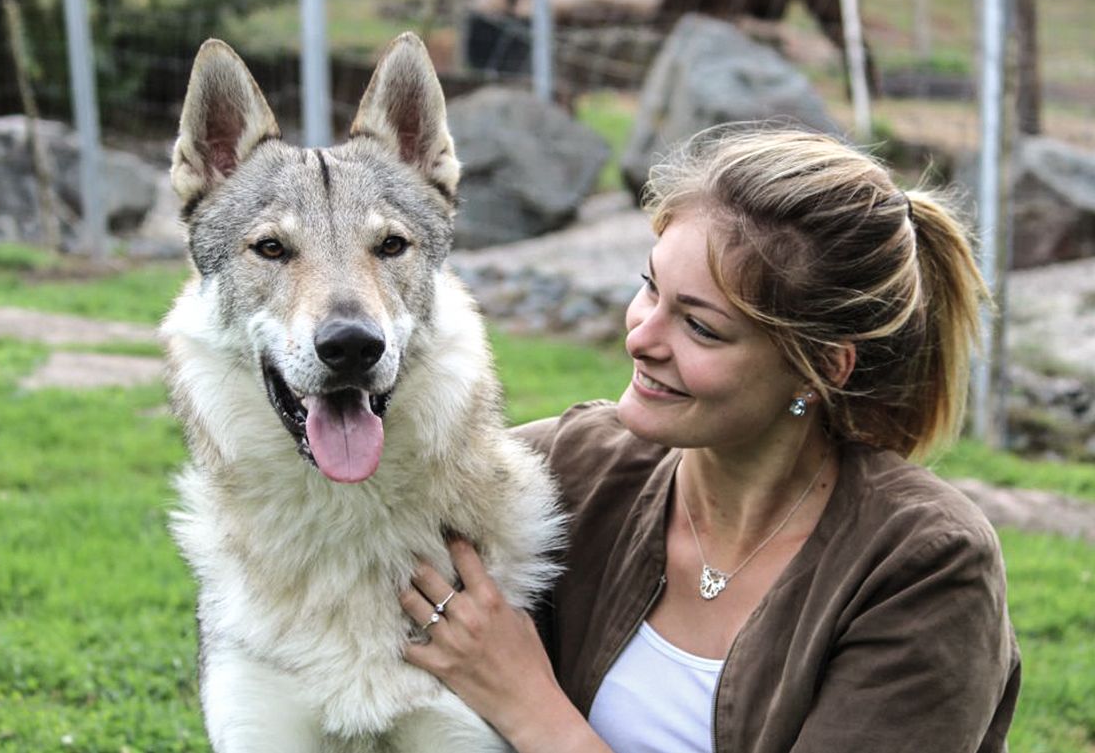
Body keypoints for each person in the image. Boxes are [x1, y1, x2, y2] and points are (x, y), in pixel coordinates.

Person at [398, 125, 1021, 753]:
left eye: (700, 326)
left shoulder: (923, 566)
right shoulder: (576, 466)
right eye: (649, 288)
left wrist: (527, 702)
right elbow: (368, 503)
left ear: (824, 366)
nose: (641, 337)